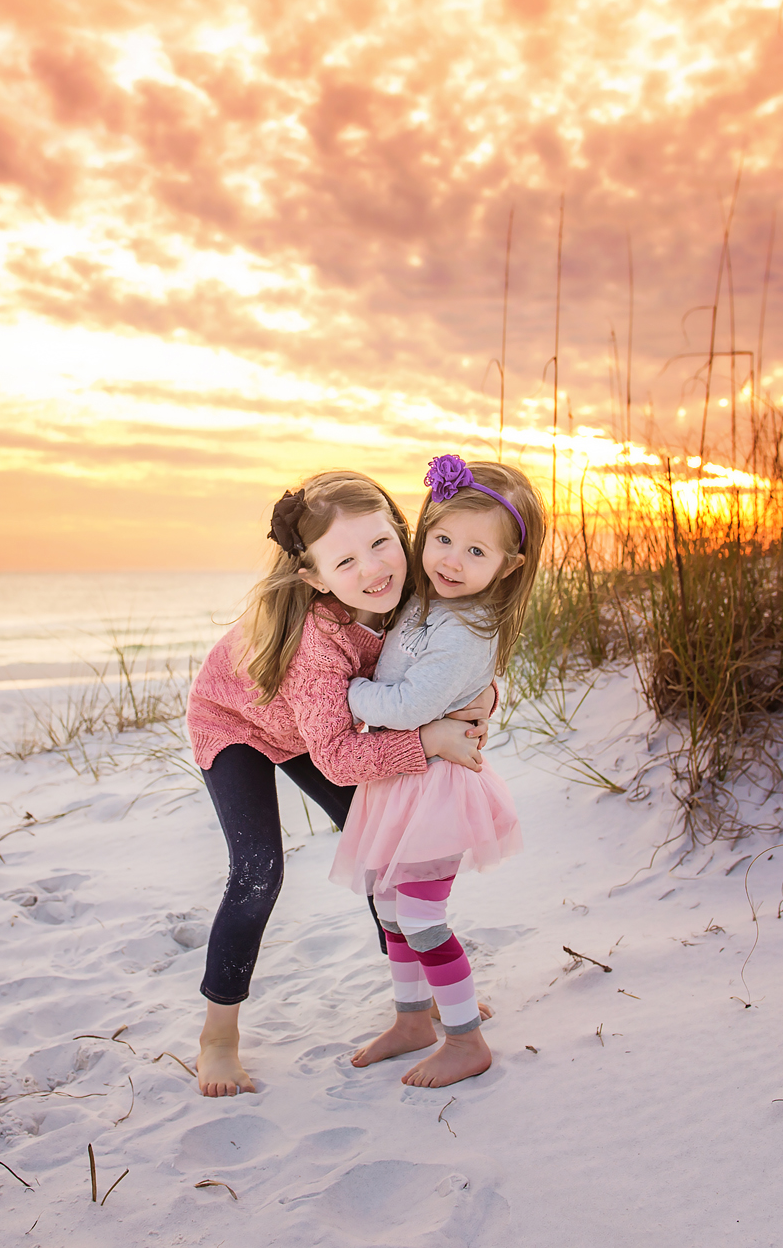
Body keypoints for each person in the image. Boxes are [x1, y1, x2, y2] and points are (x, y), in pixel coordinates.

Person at [185, 470, 491, 1098]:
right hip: (239, 719)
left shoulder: (415, 593)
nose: (374, 569)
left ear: (401, 532)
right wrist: (427, 740)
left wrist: (486, 694)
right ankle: (218, 1036)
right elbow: (339, 759)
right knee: (258, 868)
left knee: (382, 843)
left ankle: (411, 1005)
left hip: (321, 723)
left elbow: (450, 662)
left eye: (381, 544)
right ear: (316, 577)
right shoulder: (316, 646)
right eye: (346, 561)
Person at [334, 456, 545, 1088]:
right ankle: (411, 1020)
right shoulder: (424, 602)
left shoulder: (467, 630)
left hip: (437, 790)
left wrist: (348, 693)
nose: (451, 560)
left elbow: (409, 705)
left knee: (422, 917)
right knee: (392, 910)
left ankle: (465, 1040)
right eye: (442, 539)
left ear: (506, 567)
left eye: (475, 551)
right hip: (400, 784)